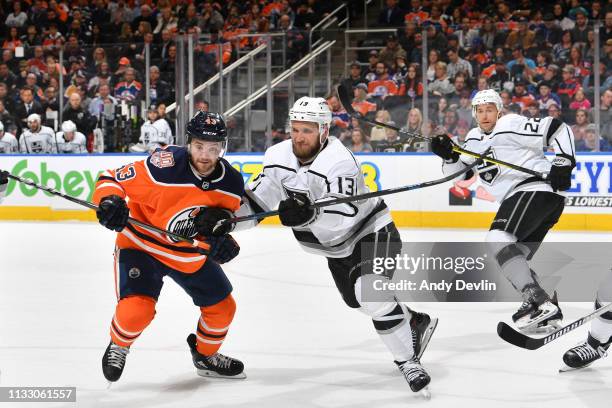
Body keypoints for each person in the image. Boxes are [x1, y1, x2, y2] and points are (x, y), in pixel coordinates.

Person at [195, 97, 438, 393]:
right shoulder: (277, 155)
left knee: (370, 293)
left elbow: (343, 215)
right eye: (295, 129)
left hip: (371, 232)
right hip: (335, 249)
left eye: (307, 130)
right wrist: (228, 220)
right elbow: (259, 201)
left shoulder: (339, 160)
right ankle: (412, 322)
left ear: (324, 131)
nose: (299, 137)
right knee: (361, 302)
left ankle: (409, 362)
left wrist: (311, 211)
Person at [93, 111, 245, 383]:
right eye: (199, 146)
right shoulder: (163, 167)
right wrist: (110, 202)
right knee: (135, 312)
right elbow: (110, 178)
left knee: (224, 308)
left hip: (187, 255)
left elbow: (221, 225)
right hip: (141, 246)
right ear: (189, 143)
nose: (205, 155)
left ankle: (205, 355)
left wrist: (223, 239)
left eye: (213, 148)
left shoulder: (232, 184)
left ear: (223, 147)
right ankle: (119, 344)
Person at [431, 89, 576, 333]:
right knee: (513, 256)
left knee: (497, 238)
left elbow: (558, 129)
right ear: (474, 113)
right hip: (537, 200)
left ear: (499, 111)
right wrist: (448, 156)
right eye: (480, 110)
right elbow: (462, 177)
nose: (485, 114)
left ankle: (537, 302)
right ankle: (546, 307)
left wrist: (564, 161)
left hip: (533, 190)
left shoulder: (510, 124)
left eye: (490, 109)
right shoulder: (474, 138)